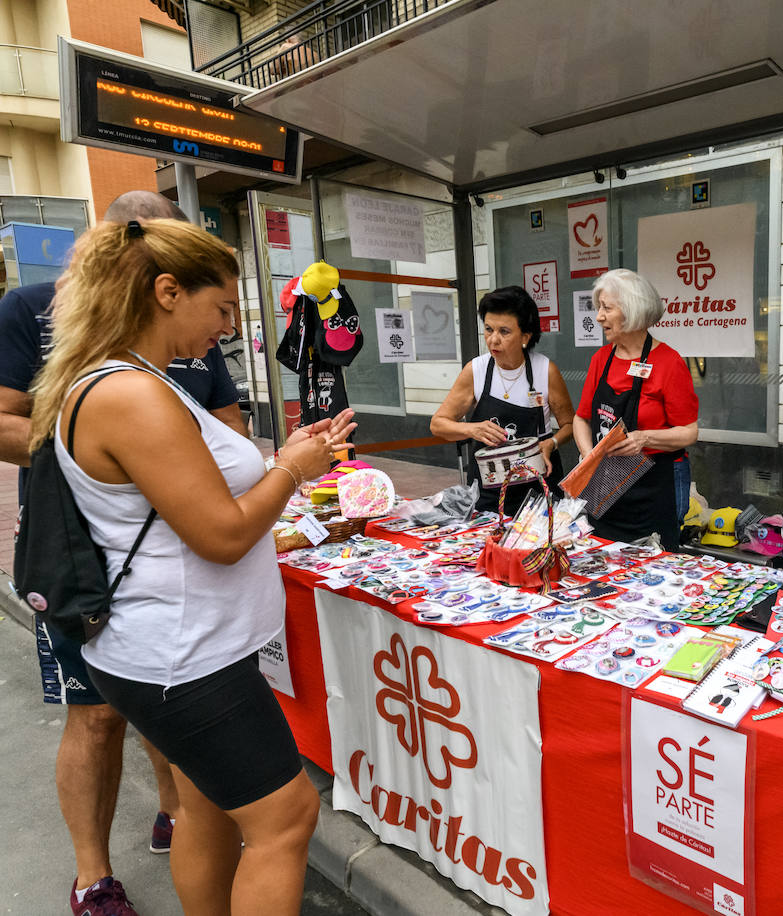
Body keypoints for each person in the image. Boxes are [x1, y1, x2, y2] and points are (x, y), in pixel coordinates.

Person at [27, 217, 355, 915]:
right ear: (168, 291)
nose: (228, 327)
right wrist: (293, 469)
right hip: (185, 659)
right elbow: (221, 533)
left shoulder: (135, 379)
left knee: (206, 808)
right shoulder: (130, 392)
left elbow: (189, 513)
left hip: (185, 650)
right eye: (224, 307)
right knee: (286, 819)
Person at [0, 190, 246, 916]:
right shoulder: (33, 312)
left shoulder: (190, 331)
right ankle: (92, 875)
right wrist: (118, 458)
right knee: (99, 714)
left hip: (181, 576)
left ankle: (175, 810)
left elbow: (228, 424)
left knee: (160, 703)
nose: (223, 325)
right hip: (82, 559)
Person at [572, 268, 698, 549]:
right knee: (603, 556)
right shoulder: (600, 359)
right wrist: (587, 455)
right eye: (598, 308)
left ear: (631, 310)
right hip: (605, 483)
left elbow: (689, 433)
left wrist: (644, 438)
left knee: (654, 565)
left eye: (606, 308)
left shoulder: (669, 362)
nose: (599, 316)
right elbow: (580, 419)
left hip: (653, 486)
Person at [430, 286, 574, 513]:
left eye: (504, 332)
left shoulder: (544, 370)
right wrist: (472, 430)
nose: (493, 340)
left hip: (537, 485)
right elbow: (438, 424)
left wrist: (551, 443)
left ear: (525, 336)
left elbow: (570, 425)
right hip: (489, 488)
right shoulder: (476, 370)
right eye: (488, 329)